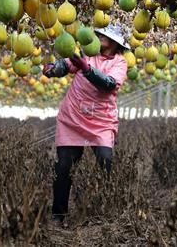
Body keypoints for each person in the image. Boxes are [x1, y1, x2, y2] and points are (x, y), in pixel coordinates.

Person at [42, 24, 128, 224]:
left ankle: (104, 212)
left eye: (104, 35)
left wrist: (86, 67)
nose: (99, 37)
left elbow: (108, 84)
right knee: (64, 167)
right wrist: (52, 69)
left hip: (101, 121)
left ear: (116, 43)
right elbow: (65, 65)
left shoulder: (120, 62)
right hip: (72, 118)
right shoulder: (86, 52)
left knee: (105, 162)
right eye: (98, 34)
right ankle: (58, 215)